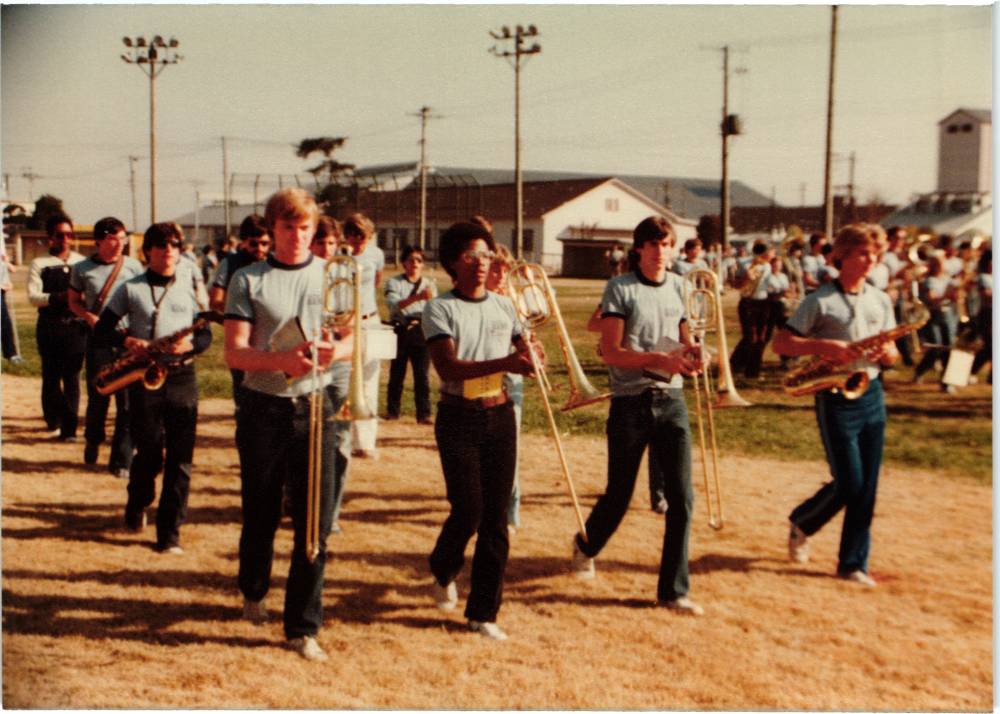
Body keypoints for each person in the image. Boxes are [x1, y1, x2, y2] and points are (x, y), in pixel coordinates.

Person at [224, 188, 352, 662]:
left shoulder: (334, 275)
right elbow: (234, 352)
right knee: (260, 510)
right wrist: (280, 359)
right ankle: (253, 589)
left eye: (304, 228)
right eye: (287, 227)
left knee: (314, 520)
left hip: (315, 408)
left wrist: (332, 352)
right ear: (272, 229)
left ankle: (303, 625)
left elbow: (353, 338)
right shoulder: (247, 279)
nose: (297, 236)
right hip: (263, 407)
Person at [571, 215, 705, 616]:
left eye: (667, 245)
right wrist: (656, 358)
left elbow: (686, 341)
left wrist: (696, 355)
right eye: (653, 245)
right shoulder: (620, 288)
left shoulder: (681, 286)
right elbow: (611, 352)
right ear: (639, 249)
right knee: (619, 496)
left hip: (672, 400)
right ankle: (585, 546)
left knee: (682, 498)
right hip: (631, 402)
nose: (661, 252)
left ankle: (673, 591)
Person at [423, 221, 537, 641]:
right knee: (467, 508)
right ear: (453, 262)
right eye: (471, 256)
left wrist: (529, 353)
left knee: (497, 518)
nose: (480, 263)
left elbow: (521, 345)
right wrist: (505, 363)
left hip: (500, 414)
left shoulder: (505, 306)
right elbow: (448, 367)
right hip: (458, 417)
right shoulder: (440, 308)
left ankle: (483, 612)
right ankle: (443, 565)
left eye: (486, 255)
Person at [772, 224, 898, 588]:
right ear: (842, 256)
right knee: (850, 482)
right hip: (835, 395)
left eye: (874, 254)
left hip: (871, 391)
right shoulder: (820, 300)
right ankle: (803, 522)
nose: (870, 259)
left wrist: (887, 353)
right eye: (862, 253)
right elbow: (782, 343)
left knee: (868, 485)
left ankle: (853, 563)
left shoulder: (881, 299)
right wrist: (824, 347)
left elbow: (892, 356)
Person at [93, 222, 212, 554]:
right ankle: (138, 500)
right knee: (149, 452)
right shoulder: (130, 288)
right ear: (148, 252)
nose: (170, 250)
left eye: (175, 244)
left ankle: (169, 533)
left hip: (181, 376)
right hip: (145, 375)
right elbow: (102, 330)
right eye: (162, 245)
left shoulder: (189, 287)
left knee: (181, 458)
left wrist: (189, 346)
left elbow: (205, 334)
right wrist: (129, 340)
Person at [68, 216, 144, 477]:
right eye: (114, 238)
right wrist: (87, 316)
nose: (120, 243)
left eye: (123, 238)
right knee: (99, 395)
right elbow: (73, 301)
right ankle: (93, 438)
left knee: (127, 403)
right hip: (99, 340)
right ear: (99, 241)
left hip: (127, 339)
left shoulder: (134, 267)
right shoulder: (81, 269)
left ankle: (121, 459)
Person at [27, 214, 87, 440]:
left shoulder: (81, 263)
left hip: (76, 327)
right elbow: (34, 296)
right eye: (60, 235)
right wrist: (58, 298)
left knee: (72, 377)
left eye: (69, 234)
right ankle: (53, 419)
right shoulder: (40, 264)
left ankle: (70, 425)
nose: (65, 239)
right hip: (50, 326)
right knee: (51, 376)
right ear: (50, 237)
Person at [483, 244, 526, 532]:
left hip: (512, 380)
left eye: (504, 269)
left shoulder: (515, 303)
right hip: (483, 380)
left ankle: (511, 510)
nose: (499, 274)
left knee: (511, 448)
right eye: (494, 268)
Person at [209, 214, 271, 408]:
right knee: (245, 397)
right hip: (242, 338)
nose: (260, 249)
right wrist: (241, 307)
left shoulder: (273, 262)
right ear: (243, 242)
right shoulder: (230, 263)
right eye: (254, 244)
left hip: (269, 337)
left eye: (265, 243)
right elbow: (216, 300)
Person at [343, 212, 384, 459]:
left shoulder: (377, 255)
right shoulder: (341, 257)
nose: (359, 241)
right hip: (348, 322)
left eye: (364, 236)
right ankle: (345, 436)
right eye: (354, 236)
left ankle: (365, 443)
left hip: (371, 320)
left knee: (369, 383)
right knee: (347, 381)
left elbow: (376, 282)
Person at [384, 244, 437, 423]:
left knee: (422, 374)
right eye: (411, 260)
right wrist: (417, 298)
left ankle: (424, 413)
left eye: (419, 260)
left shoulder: (429, 284)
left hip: (421, 329)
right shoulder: (394, 282)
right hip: (401, 328)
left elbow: (433, 308)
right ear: (404, 263)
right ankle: (393, 411)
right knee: (397, 373)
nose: (415, 263)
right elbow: (394, 305)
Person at [729, 241, 774, 379]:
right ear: (764, 253)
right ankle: (734, 363)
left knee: (761, 338)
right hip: (748, 302)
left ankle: (753, 372)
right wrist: (745, 278)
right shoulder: (745, 264)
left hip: (763, 302)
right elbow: (735, 285)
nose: (773, 254)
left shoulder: (767, 266)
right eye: (771, 252)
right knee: (750, 338)